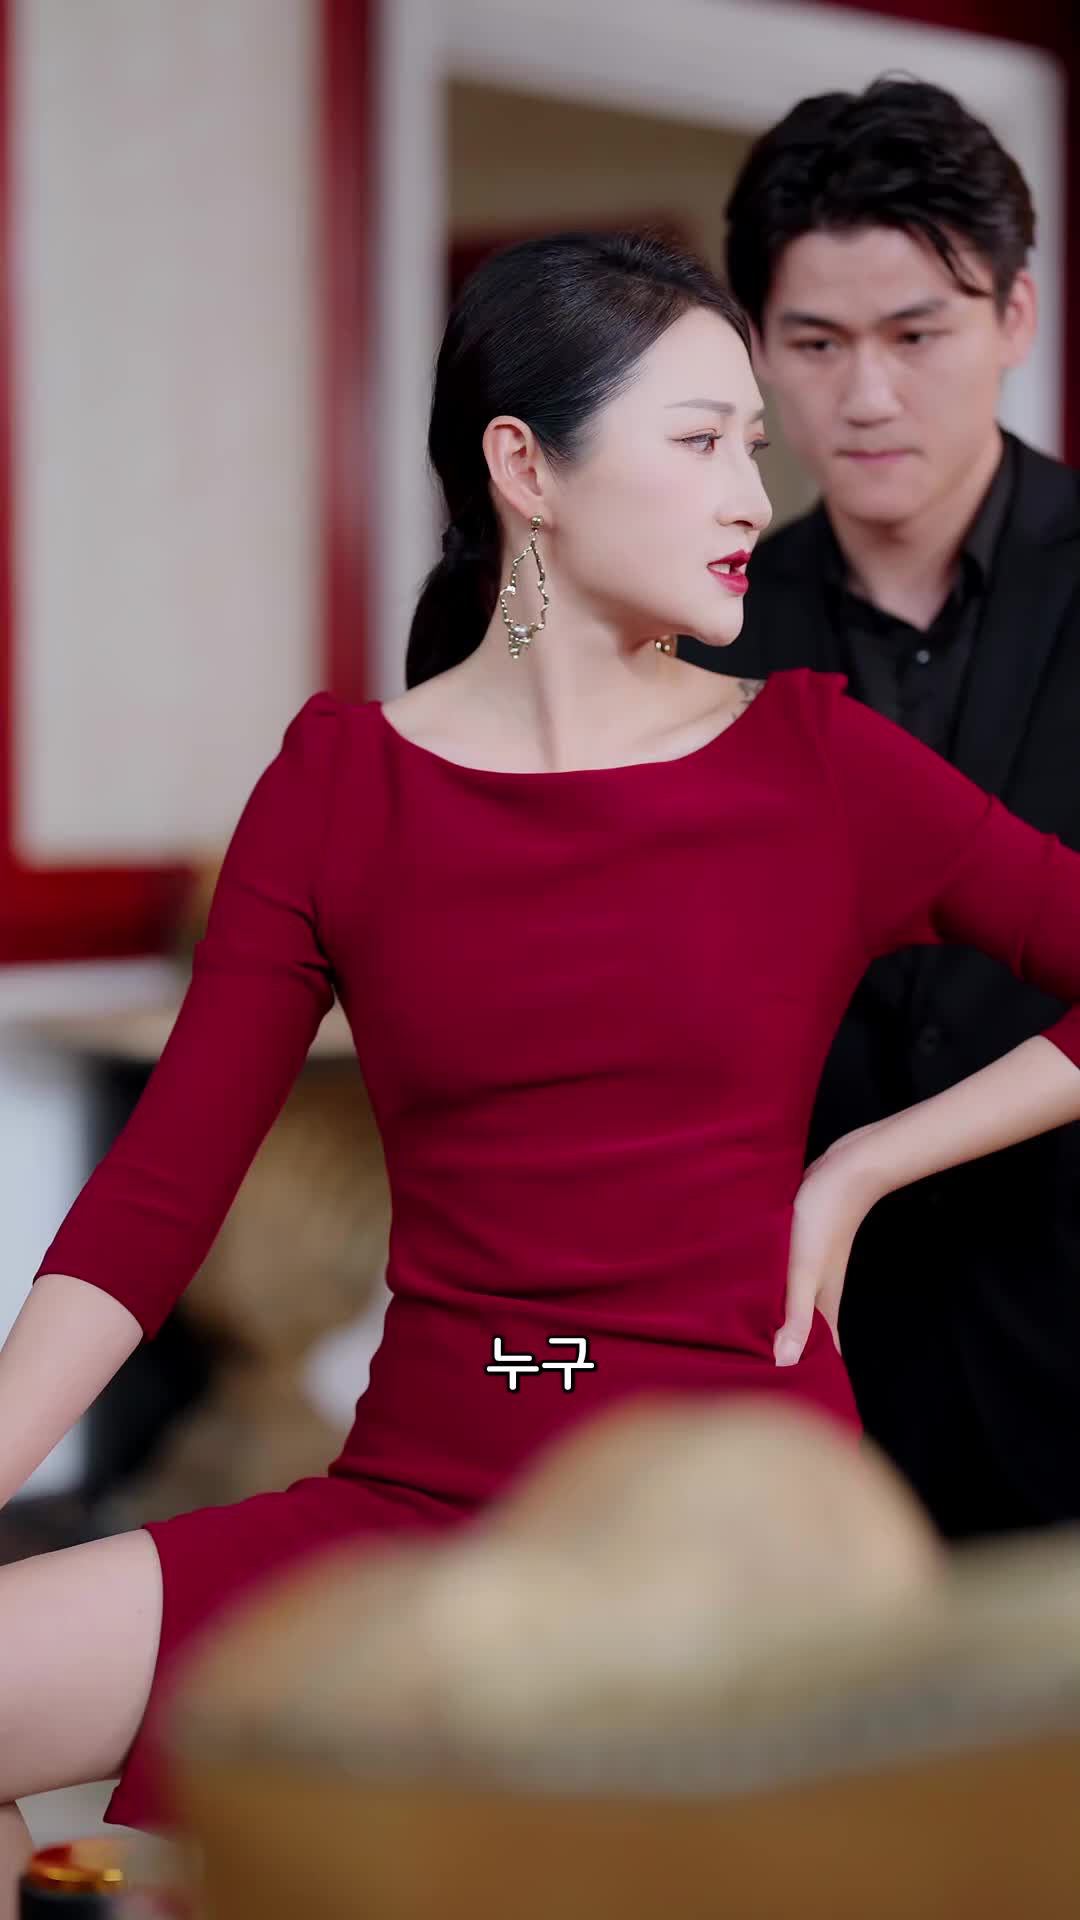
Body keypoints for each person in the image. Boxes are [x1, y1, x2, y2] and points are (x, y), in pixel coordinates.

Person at [2, 229, 1080, 1902]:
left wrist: (861, 1167)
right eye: (703, 440)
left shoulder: (818, 765)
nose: (754, 495)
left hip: (730, 1530)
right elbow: (153, 1208)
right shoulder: (338, 788)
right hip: (419, 1496)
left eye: (754, 445)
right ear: (527, 469)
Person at [679, 78, 1080, 1543]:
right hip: (805, 1371)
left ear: (1014, 317)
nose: (864, 397)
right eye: (816, 343)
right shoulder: (696, 629)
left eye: (916, 336)